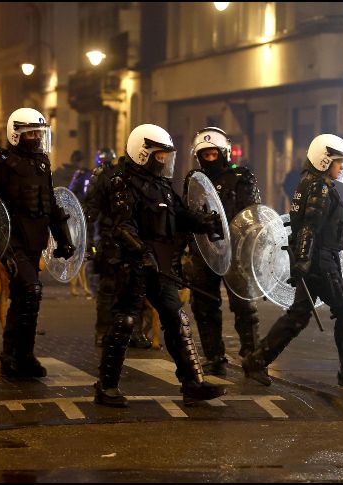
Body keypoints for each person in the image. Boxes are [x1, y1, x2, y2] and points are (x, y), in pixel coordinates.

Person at [93, 123, 226, 407]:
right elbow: (122, 225)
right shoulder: (123, 183)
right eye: (160, 155)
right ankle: (106, 386)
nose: (165, 161)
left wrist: (203, 222)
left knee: (177, 319)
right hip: (133, 264)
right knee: (125, 321)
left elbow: (180, 214)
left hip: (161, 266)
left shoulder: (162, 185)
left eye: (167, 155)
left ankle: (192, 383)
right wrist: (140, 252)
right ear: (143, 153)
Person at [242, 134, 343, 388]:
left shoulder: (311, 183)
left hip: (316, 259)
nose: (341, 167)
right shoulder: (319, 188)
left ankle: (256, 361)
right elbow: (309, 228)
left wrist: (303, 260)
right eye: (338, 162)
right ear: (324, 161)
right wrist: (304, 260)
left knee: (297, 317)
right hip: (320, 261)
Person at [0, 107, 75, 379]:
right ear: (16, 133)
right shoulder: (0, 161)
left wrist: (64, 238)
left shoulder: (42, 163)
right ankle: (16, 355)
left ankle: (18, 355)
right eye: (30, 132)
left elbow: (50, 205)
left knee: (25, 297)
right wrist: (1, 246)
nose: (35, 137)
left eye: (38, 133)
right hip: (13, 242)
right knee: (30, 289)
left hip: (35, 241)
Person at [182, 127, 262, 376]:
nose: (209, 158)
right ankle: (214, 356)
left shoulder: (241, 176)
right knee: (203, 305)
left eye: (213, 153)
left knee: (244, 305)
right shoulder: (194, 179)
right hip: (205, 250)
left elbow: (253, 214)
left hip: (235, 250)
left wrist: (251, 247)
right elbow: (188, 211)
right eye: (204, 154)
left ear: (224, 152)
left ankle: (253, 357)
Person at [84, 147, 151, 349]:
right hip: (111, 239)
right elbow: (90, 210)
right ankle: (103, 331)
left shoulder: (149, 176)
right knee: (108, 288)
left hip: (139, 240)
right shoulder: (107, 176)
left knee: (137, 287)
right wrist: (87, 241)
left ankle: (134, 331)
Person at [67, 154, 93, 298]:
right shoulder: (82, 175)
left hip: (81, 216)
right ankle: (75, 287)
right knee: (78, 256)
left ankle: (81, 287)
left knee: (82, 257)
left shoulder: (79, 175)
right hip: (78, 217)